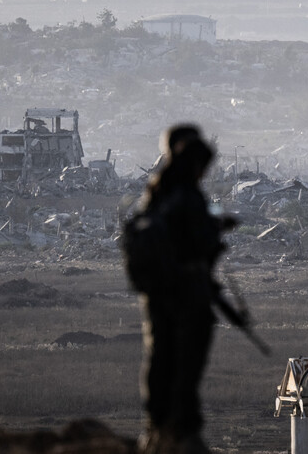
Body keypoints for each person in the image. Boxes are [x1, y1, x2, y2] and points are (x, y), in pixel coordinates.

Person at [135, 124, 238, 454]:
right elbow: (200, 244)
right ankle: (181, 433)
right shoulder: (187, 197)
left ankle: (157, 428)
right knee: (185, 367)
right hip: (186, 296)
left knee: (160, 361)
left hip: (158, 297)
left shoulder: (155, 193)